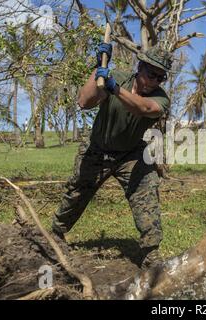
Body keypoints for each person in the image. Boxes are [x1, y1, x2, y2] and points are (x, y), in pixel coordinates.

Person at [51, 42, 173, 268]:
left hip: (131, 153)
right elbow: (84, 102)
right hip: (97, 148)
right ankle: (55, 234)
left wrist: (114, 88)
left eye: (160, 77)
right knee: (77, 192)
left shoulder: (161, 98)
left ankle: (150, 252)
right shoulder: (116, 76)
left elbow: (143, 109)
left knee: (146, 194)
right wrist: (97, 68)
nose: (155, 81)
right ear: (140, 66)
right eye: (151, 74)